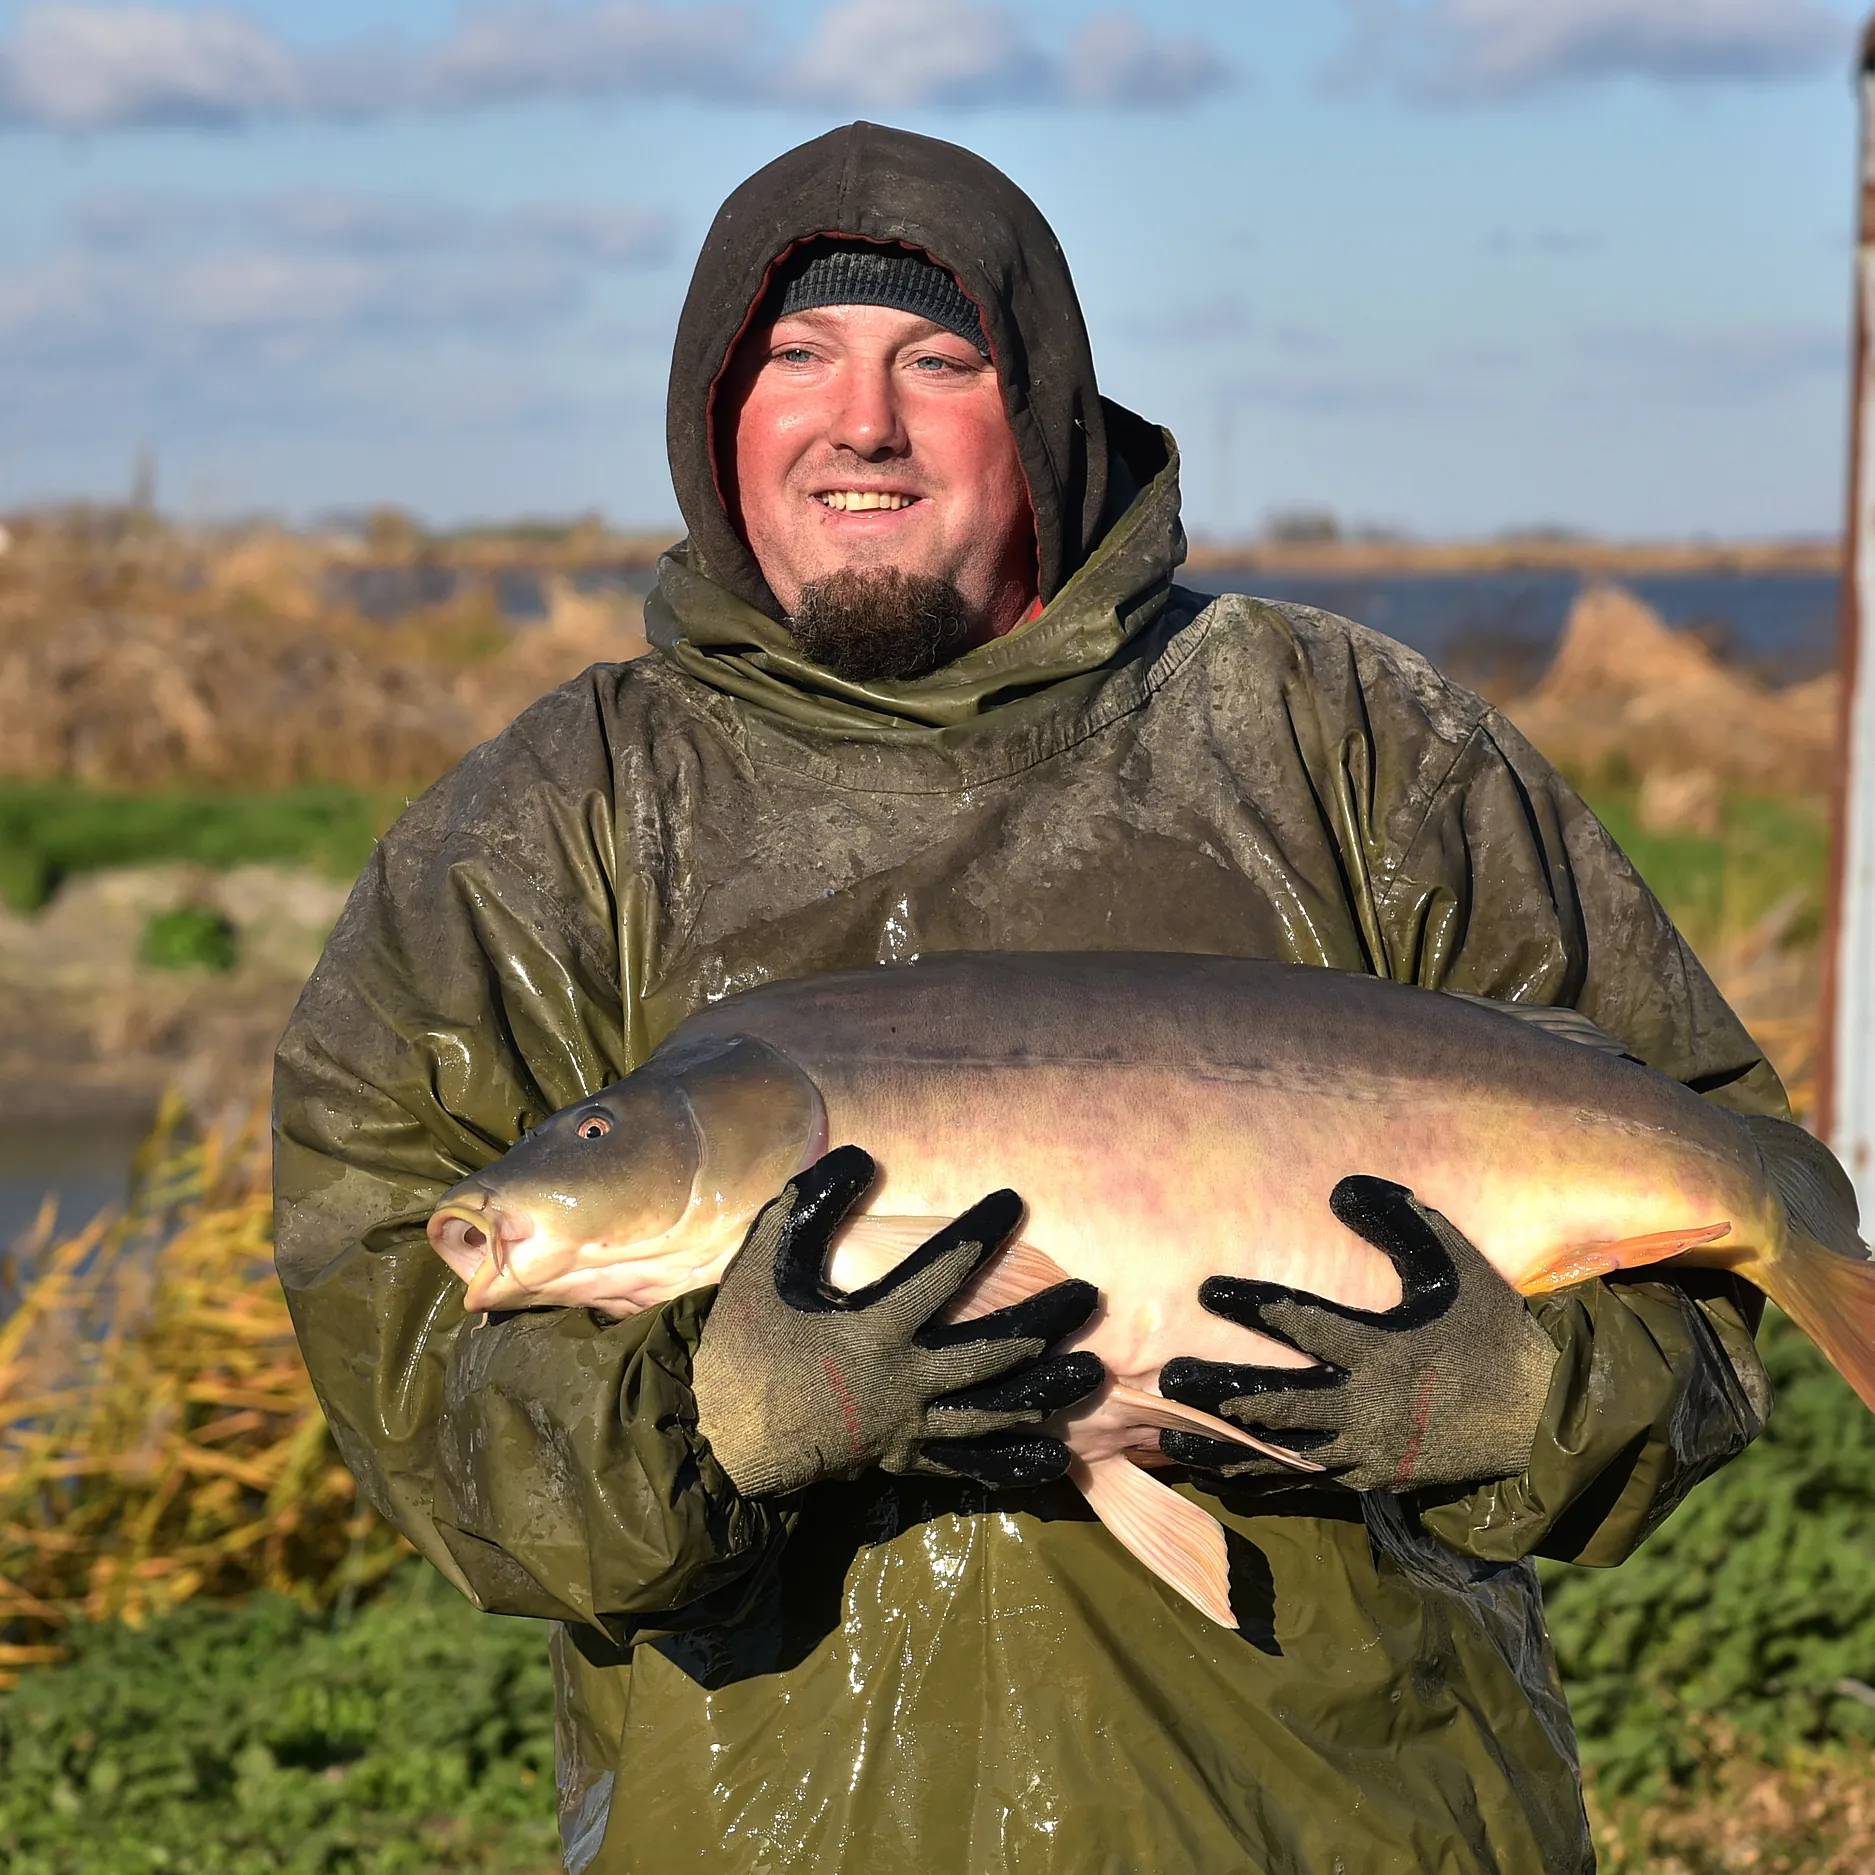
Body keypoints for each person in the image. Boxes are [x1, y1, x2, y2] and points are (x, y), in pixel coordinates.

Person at [274, 123, 1781, 1874]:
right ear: (715, 416)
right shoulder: (549, 830)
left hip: (1351, 1823)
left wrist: (1517, 1402)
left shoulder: (1353, 742)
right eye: (797, 361)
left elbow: (1720, 1267)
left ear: (1047, 402)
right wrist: (714, 1418)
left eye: (939, 359)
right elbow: (413, 1374)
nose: (864, 423)